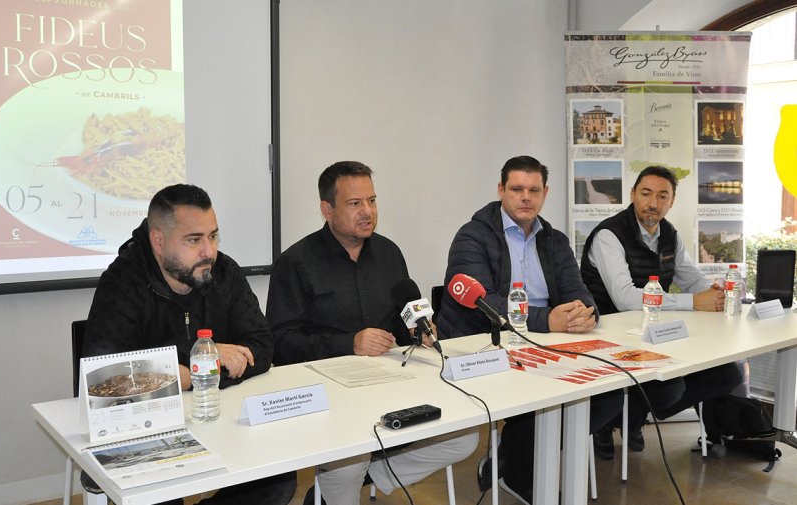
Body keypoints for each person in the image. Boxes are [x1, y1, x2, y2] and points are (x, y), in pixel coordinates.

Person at [266, 161, 478, 505]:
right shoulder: (296, 263)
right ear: (327, 209)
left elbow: (402, 320)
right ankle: (341, 483)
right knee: (348, 465)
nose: (367, 212)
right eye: (355, 204)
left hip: (393, 382)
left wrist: (418, 332)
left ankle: (374, 476)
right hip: (330, 391)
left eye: (372, 201)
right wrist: (348, 343)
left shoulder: (390, 254)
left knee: (463, 437)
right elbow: (280, 343)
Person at [84, 184, 296, 505]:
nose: (208, 251)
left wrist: (189, 374)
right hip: (148, 429)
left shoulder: (224, 272)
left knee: (276, 480)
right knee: (158, 493)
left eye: (212, 236)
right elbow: (107, 377)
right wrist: (200, 367)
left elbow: (262, 345)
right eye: (194, 240)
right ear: (158, 241)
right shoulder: (122, 281)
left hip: (219, 419)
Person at [437, 155, 623, 502]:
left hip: (545, 343)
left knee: (610, 394)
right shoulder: (472, 235)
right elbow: (483, 302)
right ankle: (519, 469)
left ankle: (519, 458)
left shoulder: (554, 239)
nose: (526, 197)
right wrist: (547, 319)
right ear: (501, 190)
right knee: (535, 401)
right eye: (517, 189)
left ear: (545, 192)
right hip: (484, 345)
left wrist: (585, 313)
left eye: (534, 190)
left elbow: (580, 292)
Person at [580, 165, 743, 456]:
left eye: (662, 196)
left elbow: (691, 278)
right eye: (645, 194)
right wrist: (693, 302)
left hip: (655, 334)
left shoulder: (669, 235)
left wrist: (715, 294)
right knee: (669, 388)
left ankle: (633, 415)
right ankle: (608, 422)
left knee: (728, 374)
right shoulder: (609, 234)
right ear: (632, 195)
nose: (653, 203)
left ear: (672, 202)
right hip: (610, 336)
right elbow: (626, 299)